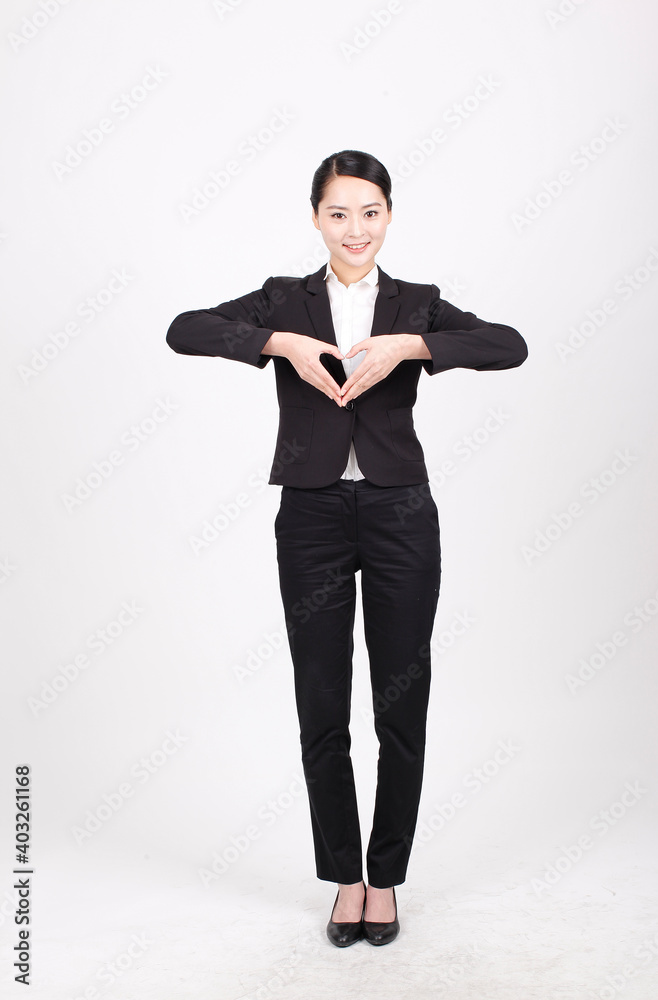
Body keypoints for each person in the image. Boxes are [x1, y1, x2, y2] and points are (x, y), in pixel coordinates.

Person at [166, 149, 528, 947]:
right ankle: (345, 879)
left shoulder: (417, 304)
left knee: (401, 703)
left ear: (388, 215)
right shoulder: (284, 299)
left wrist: (412, 349)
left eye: (369, 212)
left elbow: (509, 345)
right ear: (315, 218)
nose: (354, 228)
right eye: (338, 213)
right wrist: (276, 344)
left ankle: (387, 878)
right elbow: (182, 330)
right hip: (312, 514)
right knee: (321, 702)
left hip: (400, 513)